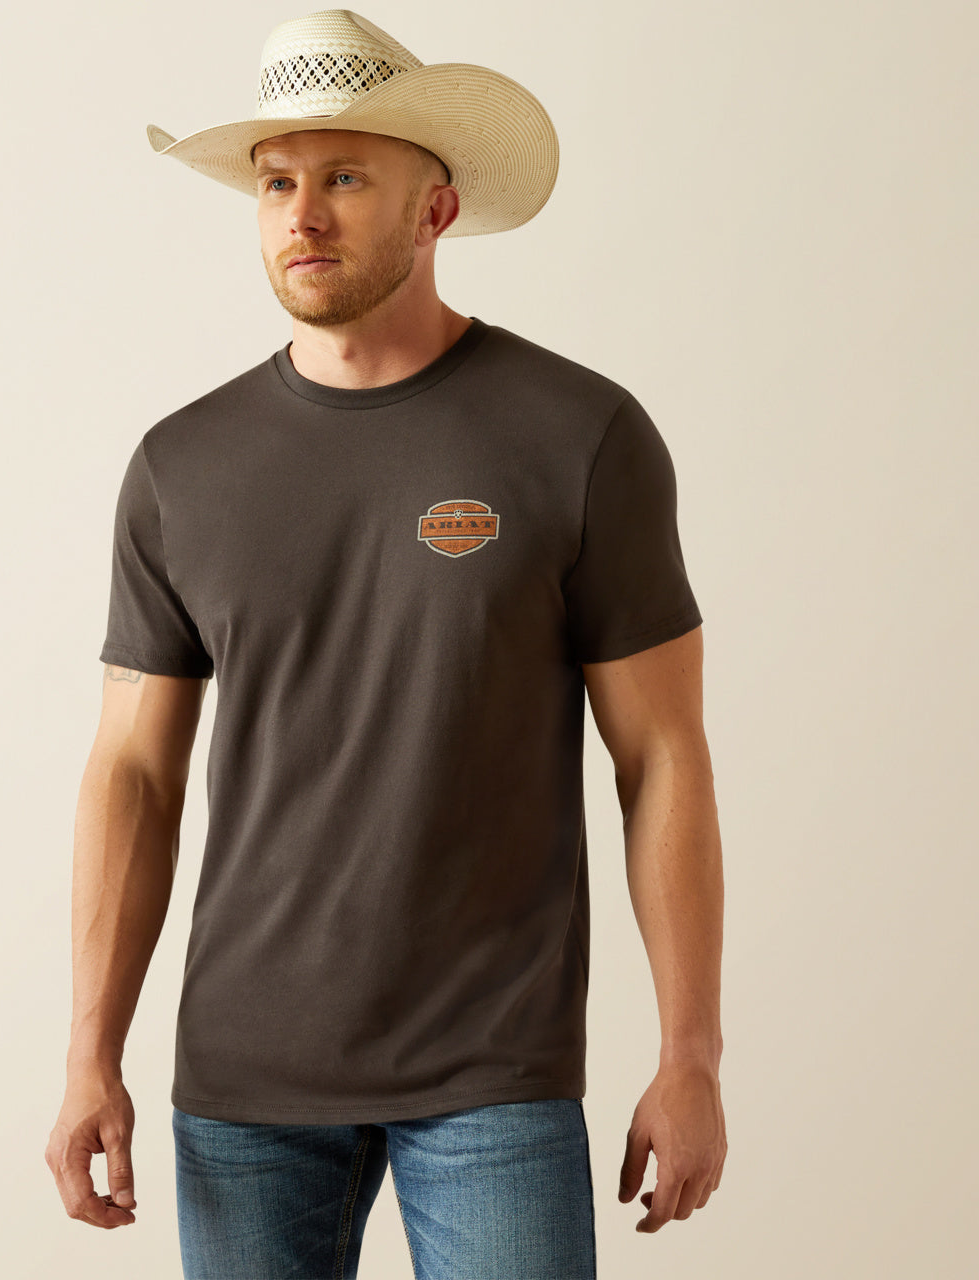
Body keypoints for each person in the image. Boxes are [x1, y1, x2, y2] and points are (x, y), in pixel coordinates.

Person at [45, 9, 726, 1278]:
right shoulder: (181, 467)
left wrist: (690, 1053)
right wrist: (90, 1050)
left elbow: (662, 756)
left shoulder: (579, 435)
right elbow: (130, 770)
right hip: (243, 1085)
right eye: (276, 183)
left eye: (345, 177)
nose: (302, 216)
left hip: (491, 1071)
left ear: (435, 209)